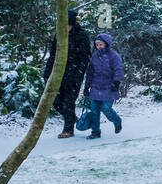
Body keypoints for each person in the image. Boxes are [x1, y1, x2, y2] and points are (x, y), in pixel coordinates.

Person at [43, 9, 91, 138]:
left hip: (74, 74)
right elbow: (52, 55)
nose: (66, 28)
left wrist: (78, 73)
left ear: (73, 24)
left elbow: (85, 57)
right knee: (56, 101)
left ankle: (68, 130)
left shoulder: (82, 35)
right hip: (59, 73)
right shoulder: (59, 35)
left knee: (69, 101)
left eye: (68, 25)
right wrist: (47, 73)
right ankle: (71, 116)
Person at [82, 32, 124, 139]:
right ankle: (95, 132)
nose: (98, 47)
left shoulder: (113, 56)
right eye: (97, 45)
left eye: (101, 44)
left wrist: (116, 82)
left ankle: (117, 120)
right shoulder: (94, 56)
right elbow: (90, 73)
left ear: (106, 44)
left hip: (109, 87)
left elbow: (118, 70)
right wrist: (87, 87)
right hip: (95, 87)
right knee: (94, 111)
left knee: (106, 108)